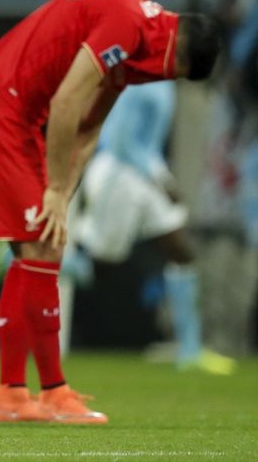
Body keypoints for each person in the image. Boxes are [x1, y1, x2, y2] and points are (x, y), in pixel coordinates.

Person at [0, 0, 223, 424]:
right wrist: (55, 190)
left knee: (35, 250)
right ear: (178, 57)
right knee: (45, 247)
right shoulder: (129, 24)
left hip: (12, 118)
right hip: (0, 113)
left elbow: (87, 127)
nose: (164, 79)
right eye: (175, 74)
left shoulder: (138, 41)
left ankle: (12, 395)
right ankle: (53, 393)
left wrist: (64, 193)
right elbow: (66, 102)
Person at [66, 81, 236, 374]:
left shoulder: (164, 81)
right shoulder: (141, 81)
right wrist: (161, 178)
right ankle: (23, 259)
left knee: (181, 252)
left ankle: (190, 350)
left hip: (144, 178)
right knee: (101, 268)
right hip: (120, 177)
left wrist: (159, 176)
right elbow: (121, 141)